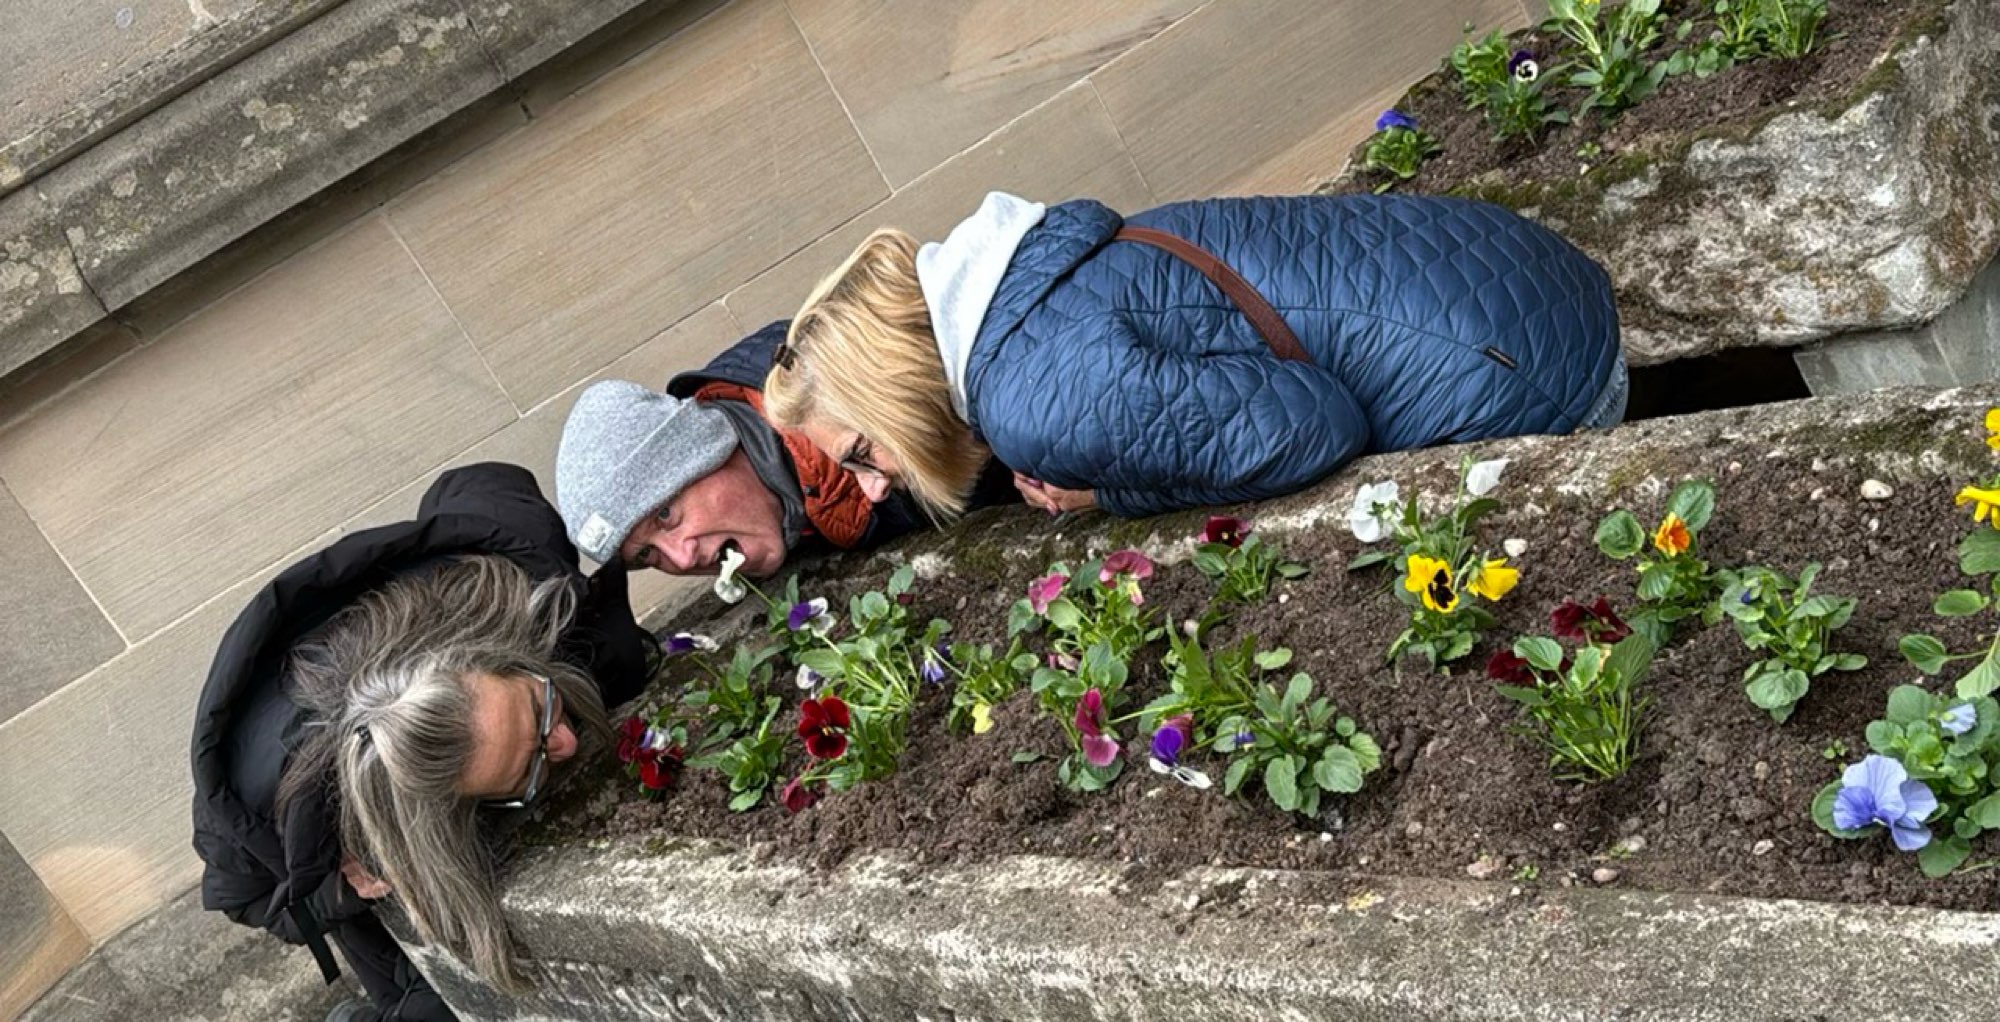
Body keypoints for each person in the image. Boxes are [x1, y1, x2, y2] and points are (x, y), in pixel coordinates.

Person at [760, 191, 1627, 521]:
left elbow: (1312, 427)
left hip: (1539, 379)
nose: (872, 487)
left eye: (863, 451)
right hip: (1530, 277)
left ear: (890, 385)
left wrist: (1114, 492)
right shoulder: (1034, 272)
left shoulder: (1032, 401)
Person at [190, 463, 655, 1022]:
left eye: (539, 708)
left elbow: (476, 481)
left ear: (500, 658)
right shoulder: (261, 805)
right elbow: (242, 897)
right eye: (527, 767)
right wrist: (338, 887)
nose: (566, 744)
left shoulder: (503, 584)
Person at [555, 321, 1013, 576]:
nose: (681, 557)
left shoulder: (850, 391)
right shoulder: (786, 501)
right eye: (646, 556)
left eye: (666, 516)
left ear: (707, 451)